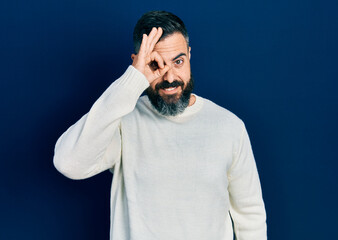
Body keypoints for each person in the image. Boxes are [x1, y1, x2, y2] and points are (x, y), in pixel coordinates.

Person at [53, 10, 267, 240]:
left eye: (178, 61)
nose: (169, 76)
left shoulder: (229, 126)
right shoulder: (123, 120)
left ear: (190, 55)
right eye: (156, 64)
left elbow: (250, 216)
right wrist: (132, 80)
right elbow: (69, 163)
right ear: (137, 62)